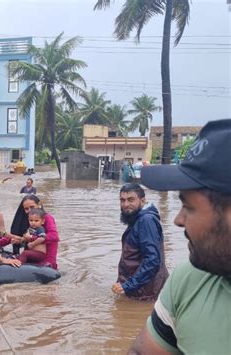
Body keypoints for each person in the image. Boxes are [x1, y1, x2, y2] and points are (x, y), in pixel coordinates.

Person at [129, 119, 231, 354]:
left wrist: (130, 284)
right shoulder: (189, 279)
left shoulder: (146, 221)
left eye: (189, 207)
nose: (177, 220)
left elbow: (152, 259)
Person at [112, 183, 169, 301]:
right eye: (122, 200)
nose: (126, 204)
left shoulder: (146, 221)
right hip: (140, 291)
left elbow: (152, 261)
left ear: (142, 201)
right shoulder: (137, 219)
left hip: (146, 294)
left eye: (131, 200)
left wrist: (128, 286)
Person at [10, 194, 60, 269]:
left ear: (39, 205)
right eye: (26, 209)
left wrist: (31, 238)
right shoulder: (29, 220)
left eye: (32, 207)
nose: (29, 210)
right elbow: (15, 236)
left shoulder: (47, 218)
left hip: (46, 261)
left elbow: (54, 236)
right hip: (32, 258)